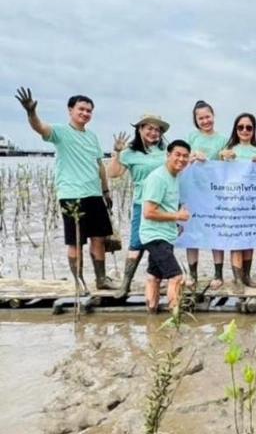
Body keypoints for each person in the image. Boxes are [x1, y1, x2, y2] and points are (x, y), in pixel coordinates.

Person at [15, 86, 115, 292]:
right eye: (81, 109)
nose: (85, 113)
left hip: (94, 194)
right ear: (70, 110)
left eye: (89, 110)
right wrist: (31, 112)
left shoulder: (92, 137)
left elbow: (100, 166)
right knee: (75, 241)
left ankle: (101, 279)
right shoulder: (60, 132)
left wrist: (106, 191)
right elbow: (40, 127)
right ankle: (79, 283)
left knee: (99, 238)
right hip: (72, 195)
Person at [107, 114, 169, 297]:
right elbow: (113, 173)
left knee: (160, 243)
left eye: (157, 129)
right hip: (142, 203)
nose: (153, 132)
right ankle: (125, 284)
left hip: (164, 204)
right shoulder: (129, 153)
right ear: (140, 129)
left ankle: (156, 283)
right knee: (136, 243)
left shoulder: (165, 152)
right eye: (149, 128)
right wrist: (117, 153)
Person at [139, 139, 192, 312]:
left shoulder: (175, 176)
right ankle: (174, 319)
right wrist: (177, 216)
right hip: (155, 236)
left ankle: (151, 317)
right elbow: (149, 212)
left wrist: (175, 223)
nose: (181, 159)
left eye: (185, 156)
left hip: (166, 234)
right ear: (168, 155)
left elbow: (165, 206)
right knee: (176, 277)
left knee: (154, 277)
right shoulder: (158, 178)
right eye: (177, 155)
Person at [220, 113, 256, 293]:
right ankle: (237, 279)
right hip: (233, 201)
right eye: (241, 127)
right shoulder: (230, 149)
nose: (245, 131)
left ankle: (247, 276)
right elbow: (219, 174)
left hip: (253, 202)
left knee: (249, 240)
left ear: (253, 130)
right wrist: (223, 159)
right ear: (236, 129)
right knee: (236, 241)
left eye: (249, 127)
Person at [186, 100, 228, 289]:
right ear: (196, 120)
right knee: (191, 233)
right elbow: (182, 160)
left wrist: (218, 159)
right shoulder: (191, 137)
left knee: (215, 231)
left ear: (213, 116)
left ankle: (218, 274)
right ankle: (192, 274)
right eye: (200, 118)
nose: (205, 121)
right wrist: (192, 158)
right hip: (193, 192)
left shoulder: (222, 139)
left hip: (214, 192)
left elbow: (225, 165)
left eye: (207, 117)